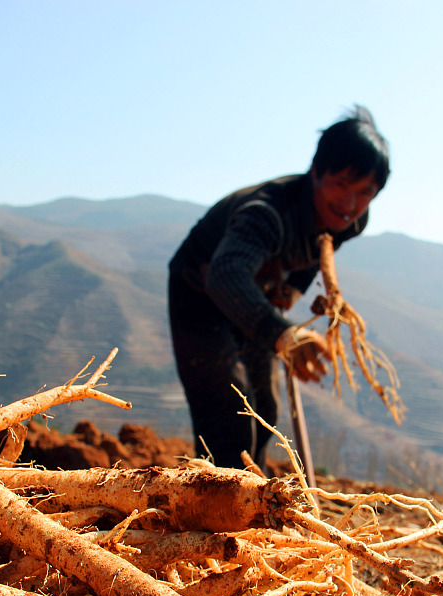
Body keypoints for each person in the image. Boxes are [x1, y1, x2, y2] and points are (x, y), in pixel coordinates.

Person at [167, 106, 390, 469]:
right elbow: (224, 275)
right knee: (228, 412)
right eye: (342, 184)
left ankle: (249, 496)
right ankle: (213, 503)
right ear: (317, 171)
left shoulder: (350, 221)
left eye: (366, 191)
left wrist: (291, 291)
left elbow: (319, 251)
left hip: (254, 296)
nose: (350, 204)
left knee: (264, 408)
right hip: (200, 292)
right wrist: (284, 334)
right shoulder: (267, 213)